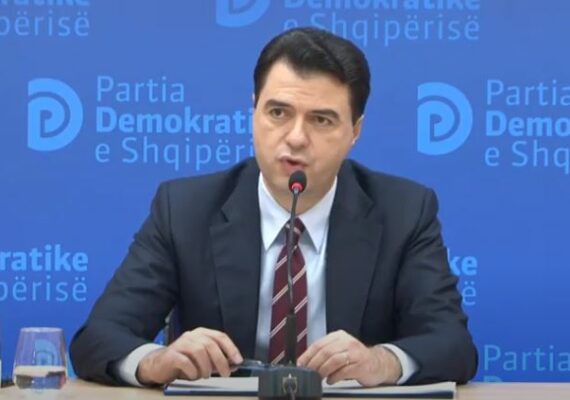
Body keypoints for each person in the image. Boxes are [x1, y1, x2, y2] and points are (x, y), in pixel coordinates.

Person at [70, 27, 478, 387]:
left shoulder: (404, 212)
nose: (295, 137)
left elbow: (453, 345)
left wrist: (382, 362)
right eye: (278, 112)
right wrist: (156, 362)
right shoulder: (185, 209)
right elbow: (98, 337)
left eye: (321, 120)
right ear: (254, 111)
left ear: (355, 132)